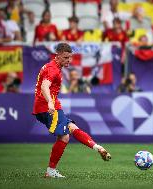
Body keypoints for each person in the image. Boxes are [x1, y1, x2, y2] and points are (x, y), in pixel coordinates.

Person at [32, 43, 111, 178]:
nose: (68, 60)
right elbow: (45, 86)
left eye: (70, 57)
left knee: (72, 128)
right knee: (64, 136)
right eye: (65, 57)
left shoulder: (54, 66)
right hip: (47, 107)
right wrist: (50, 101)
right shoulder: (53, 69)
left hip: (51, 105)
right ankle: (50, 171)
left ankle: (98, 148)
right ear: (57, 56)